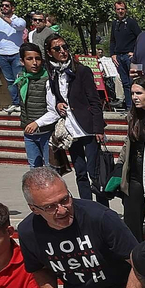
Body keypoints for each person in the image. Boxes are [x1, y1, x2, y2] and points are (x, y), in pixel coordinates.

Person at [44, 34, 109, 203]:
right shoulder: (52, 74)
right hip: (70, 130)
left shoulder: (82, 71)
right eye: (57, 49)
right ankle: (86, 205)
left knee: (94, 172)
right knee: (80, 172)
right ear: (49, 52)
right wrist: (59, 103)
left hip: (87, 127)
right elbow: (58, 97)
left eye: (65, 47)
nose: (63, 51)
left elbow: (95, 100)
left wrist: (98, 129)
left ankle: (102, 208)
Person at [111, 76, 145, 239]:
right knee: (132, 221)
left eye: (139, 93)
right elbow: (127, 144)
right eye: (132, 93)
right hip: (134, 174)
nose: (135, 97)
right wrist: (119, 168)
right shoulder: (133, 116)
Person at [13, 43, 54, 169]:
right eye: (29, 59)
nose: (35, 63)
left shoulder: (48, 78)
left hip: (47, 132)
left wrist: (37, 123)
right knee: (34, 169)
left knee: (51, 169)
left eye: (38, 58)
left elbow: (53, 109)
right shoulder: (21, 78)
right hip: (29, 133)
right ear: (22, 61)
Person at [0, 0, 27, 111]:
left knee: (20, 79)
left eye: (7, 6)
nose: (4, 7)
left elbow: (20, 26)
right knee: (9, 81)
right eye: (2, 6)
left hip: (16, 53)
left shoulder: (18, 19)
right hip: (2, 54)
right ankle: (15, 103)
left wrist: (3, 17)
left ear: (12, 8)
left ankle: (23, 104)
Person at [107, 0, 141, 110]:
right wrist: (113, 54)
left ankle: (136, 107)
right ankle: (129, 107)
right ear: (115, 11)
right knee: (125, 82)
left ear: (125, 10)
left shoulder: (131, 22)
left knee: (134, 81)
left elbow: (140, 38)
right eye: (118, 9)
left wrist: (135, 52)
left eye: (122, 9)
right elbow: (112, 40)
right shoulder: (114, 24)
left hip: (129, 57)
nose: (120, 11)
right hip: (119, 57)